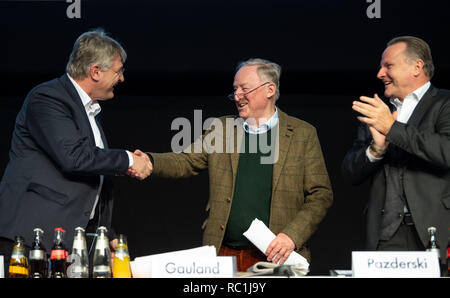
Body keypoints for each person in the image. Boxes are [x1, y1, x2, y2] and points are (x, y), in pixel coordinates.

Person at [132, 58, 333, 272]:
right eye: (235, 89)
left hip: (276, 257)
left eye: (244, 89)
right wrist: (149, 161)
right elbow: (185, 160)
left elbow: (320, 194)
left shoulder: (302, 134)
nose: (237, 96)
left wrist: (292, 235)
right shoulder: (223, 129)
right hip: (224, 255)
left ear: (270, 89)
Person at [0, 29, 152, 276]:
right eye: (118, 71)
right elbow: (74, 157)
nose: (122, 78)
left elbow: (90, 181)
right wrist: (127, 159)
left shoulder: (89, 111)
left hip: (67, 243)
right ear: (95, 72)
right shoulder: (47, 98)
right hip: (31, 241)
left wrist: (106, 234)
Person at [342, 36, 450, 266]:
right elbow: (349, 172)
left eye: (388, 66)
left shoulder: (445, 103)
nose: (380, 73)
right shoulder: (379, 112)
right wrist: (377, 149)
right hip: (386, 236)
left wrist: (392, 128)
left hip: (434, 234)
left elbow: (446, 151)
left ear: (417, 67)